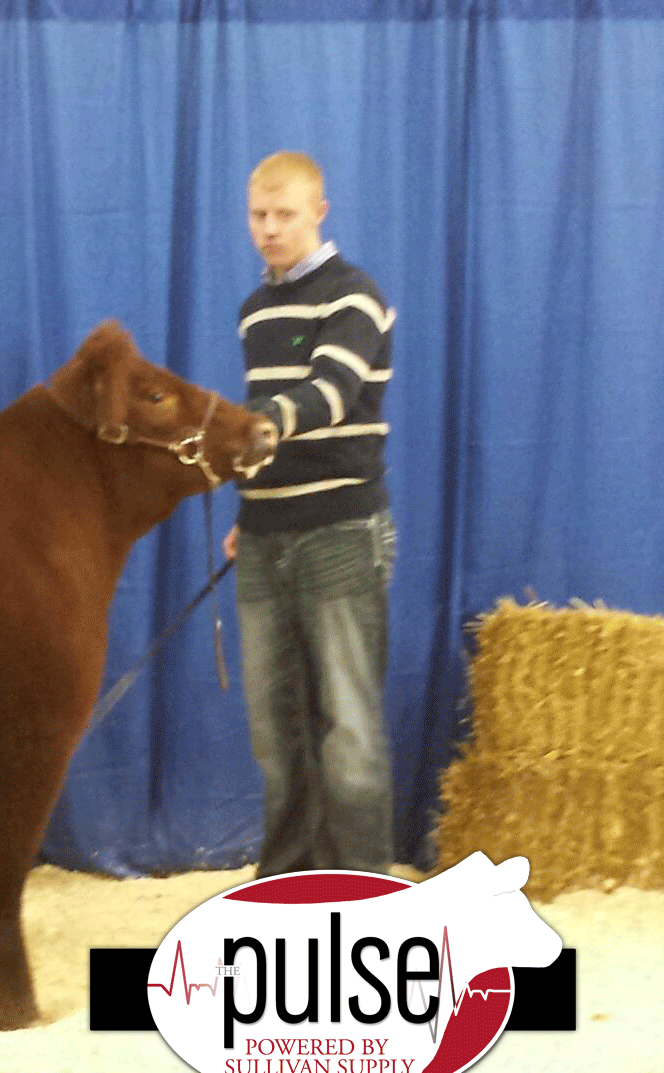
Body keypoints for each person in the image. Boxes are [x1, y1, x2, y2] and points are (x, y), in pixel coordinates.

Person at [223, 151, 398, 878]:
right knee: (275, 728)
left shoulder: (354, 296)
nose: (269, 229)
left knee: (348, 726)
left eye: (284, 214)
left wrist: (245, 429)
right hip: (265, 535)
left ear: (319, 212)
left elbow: (330, 393)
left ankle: (362, 890)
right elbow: (275, 432)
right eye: (259, 215)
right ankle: (290, 882)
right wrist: (248, 503)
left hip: (341, 532)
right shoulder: (254, 310)